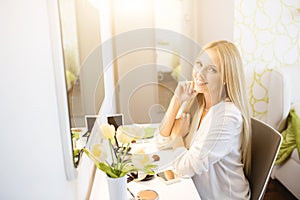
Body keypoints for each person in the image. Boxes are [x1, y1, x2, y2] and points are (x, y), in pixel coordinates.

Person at [156, 40, 252, 199]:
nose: (200, 73)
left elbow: (185, 168)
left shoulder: (227, 117)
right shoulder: (197, 103)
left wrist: (177, 136)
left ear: (226, 78)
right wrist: (176, 101)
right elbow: (161, 143)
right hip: (192, 191)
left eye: (212, 69)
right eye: (199, 64)